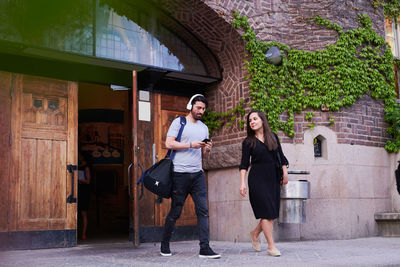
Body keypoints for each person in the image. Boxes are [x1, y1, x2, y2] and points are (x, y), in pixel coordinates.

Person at [160, 94, 220, 259]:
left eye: (203, 109)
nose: (201, 111)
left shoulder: (204, 128)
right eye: (198, 108)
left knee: (203, 211)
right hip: (179, 174)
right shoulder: (179, 122)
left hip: (198, 174)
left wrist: (207, 148)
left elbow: (204, 156)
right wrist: (190, 144)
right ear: (191, 106)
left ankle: (204, 248)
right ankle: (164, 245)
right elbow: (169, 143)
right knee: (176, 211)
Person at [239, 110, 289, 257]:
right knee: (267, 212)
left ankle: (255, 233)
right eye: (250, 120)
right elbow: (243, 165)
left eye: (255, 119)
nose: (252, 122)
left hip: (273, 178)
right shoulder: (248, 142)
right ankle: (271, 246)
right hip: (257, 180)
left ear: (262, 120)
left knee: (271, 213)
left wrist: (285, 172)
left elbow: (281, 155)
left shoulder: (272, 137)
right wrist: (242, 183)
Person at [78, 150, 91, 241]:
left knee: (83, 214)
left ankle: (83, 234)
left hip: (83, 191)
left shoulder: (86, 167)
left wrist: (78, 179)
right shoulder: (77, 165)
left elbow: (88, 181)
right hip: (77, 190)